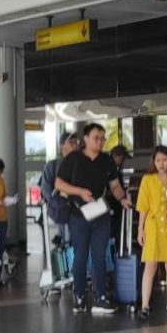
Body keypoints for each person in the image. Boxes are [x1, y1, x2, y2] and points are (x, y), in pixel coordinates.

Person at [55, 123, 130, 314]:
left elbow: (114, 185)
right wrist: (79, 192)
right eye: (97, 137)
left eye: (103, 138)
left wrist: (122, 198)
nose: (100, 141)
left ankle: (100, 297)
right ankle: (78, 296)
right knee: (80, 255)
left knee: (100, 255)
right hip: (78, 214)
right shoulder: (73, 159)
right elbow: (59, 183)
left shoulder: (107, 161)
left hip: (100, 213)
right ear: (86, 139)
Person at [136, 146, 167, 319]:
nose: (161, 164)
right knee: (150, 266)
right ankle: (144, 305)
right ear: (153, 162)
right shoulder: (147, 180)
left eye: (164, 160)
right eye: (158, 161)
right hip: (153, 226)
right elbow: (143, 207)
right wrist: (140, 229)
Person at [108, 144, 132, 252]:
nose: (123, 161)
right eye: (122, 158)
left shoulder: (116, 169)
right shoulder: (109, 169)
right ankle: (116, 252)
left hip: (116, 205)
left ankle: (117, 251)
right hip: (111, 206)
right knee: (114, 231)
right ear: (115, 156)